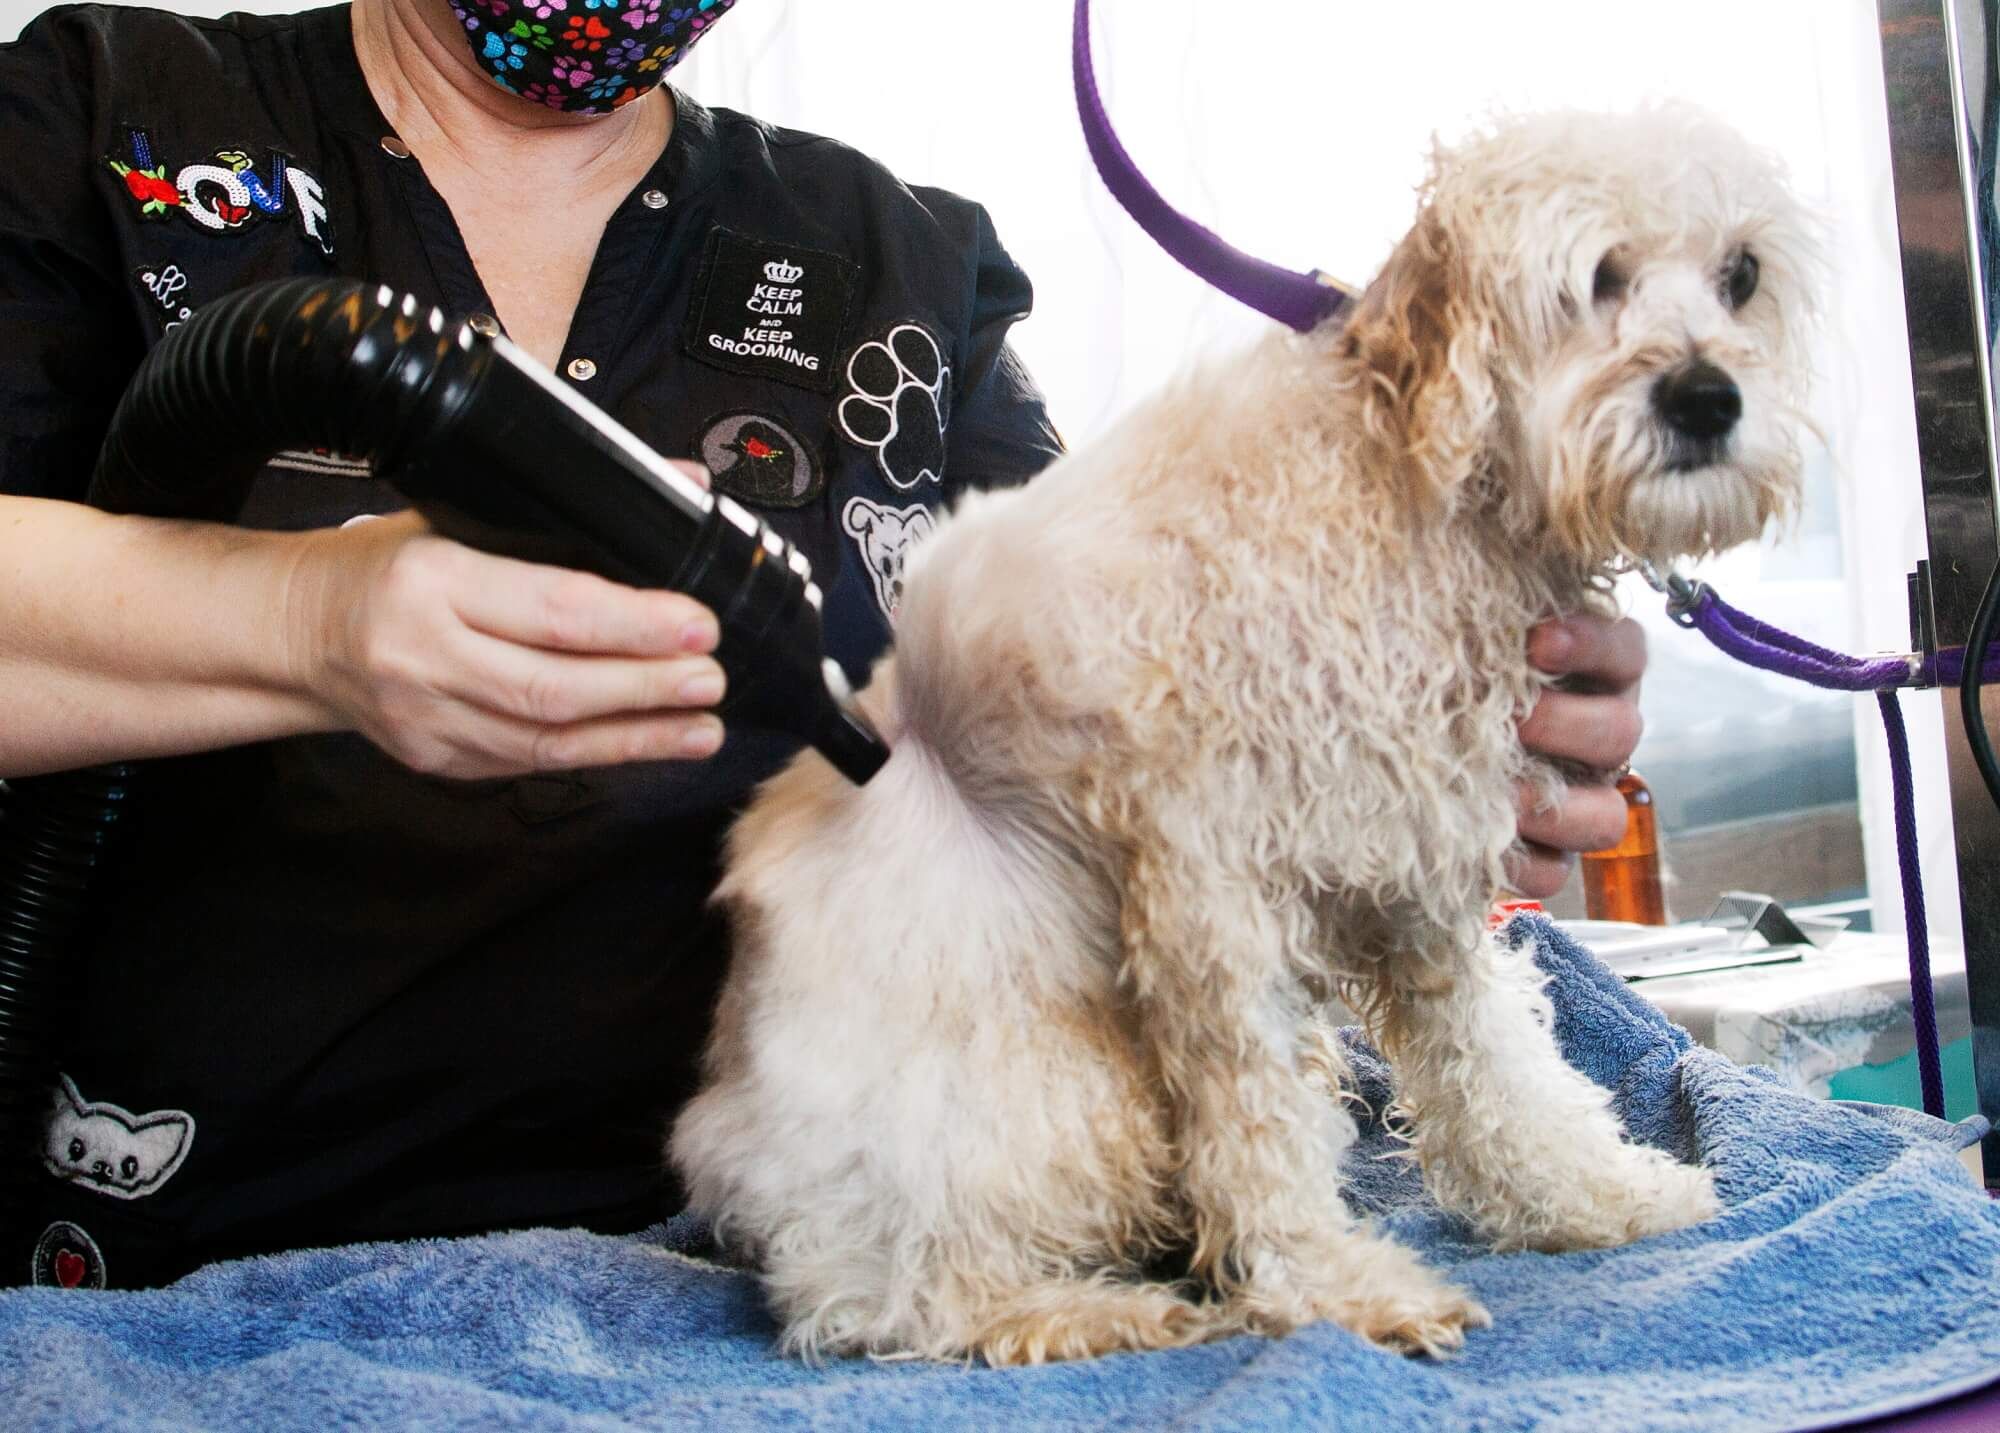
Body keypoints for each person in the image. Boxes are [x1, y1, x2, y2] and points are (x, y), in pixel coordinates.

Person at [0, 0, 1643, 1290]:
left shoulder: (896, 266)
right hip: (191, 1271)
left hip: (791, 1255)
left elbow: (1121, 710)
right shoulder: (110, 116)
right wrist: (309, 618)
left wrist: (1400, 751)